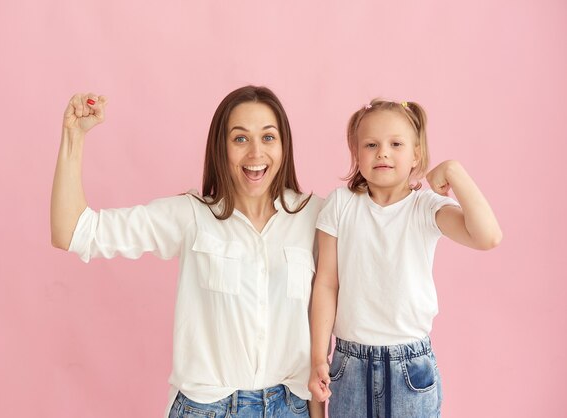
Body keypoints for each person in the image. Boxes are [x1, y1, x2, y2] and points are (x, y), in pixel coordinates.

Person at [50, 86, 325, 418]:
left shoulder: (315, 217)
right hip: (208, 408)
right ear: (220, 148)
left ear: (284, 145)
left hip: (290, 406)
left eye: (268, 138)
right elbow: (74, 232)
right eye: (240, 139)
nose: (255, 153)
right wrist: (73, 137)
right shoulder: (190, 215)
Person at [308, 99, 502, 418]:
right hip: (348, 366)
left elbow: (488, 236)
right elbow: (327, 283)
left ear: (416, 154)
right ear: (356, 154)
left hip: (410, 368)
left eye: (395, 144)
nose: (383, 152)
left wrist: (454, 170)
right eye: (371, 144)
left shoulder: (425, 208)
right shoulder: (340, 204)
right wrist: (319, 355)